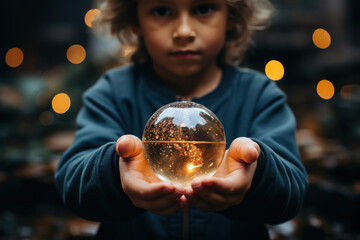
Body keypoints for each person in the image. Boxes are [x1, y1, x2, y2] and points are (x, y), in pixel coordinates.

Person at [55, 0, 308, 239]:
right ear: (135, 20)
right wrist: (114, 172)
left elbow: (292, 192)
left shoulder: (259, 95)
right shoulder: (111, 92)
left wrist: (257, 174)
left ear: (230, 16)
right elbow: (73, 181)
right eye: (162, 11)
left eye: (203, 8)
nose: (184, 31)